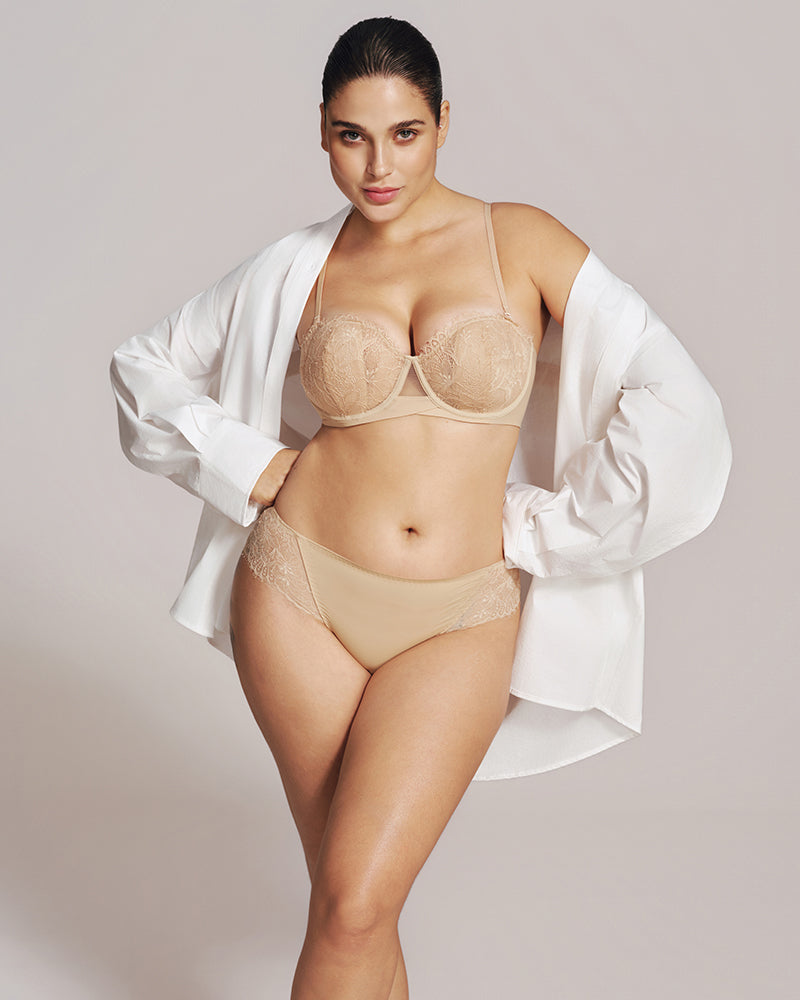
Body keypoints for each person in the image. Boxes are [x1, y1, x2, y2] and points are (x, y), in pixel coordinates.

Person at [109, 16, 731, 1000]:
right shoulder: (301, 265)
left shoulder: (519, 240)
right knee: (353, 906)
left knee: (355, 904)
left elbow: (679, 405)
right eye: (351, 135)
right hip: (298, 592)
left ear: (444, 121)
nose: (377, 166)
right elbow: (142, 368)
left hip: (458, 611)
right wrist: (249, 466)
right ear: (321, 131)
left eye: (404, 133)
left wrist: (540, 529)